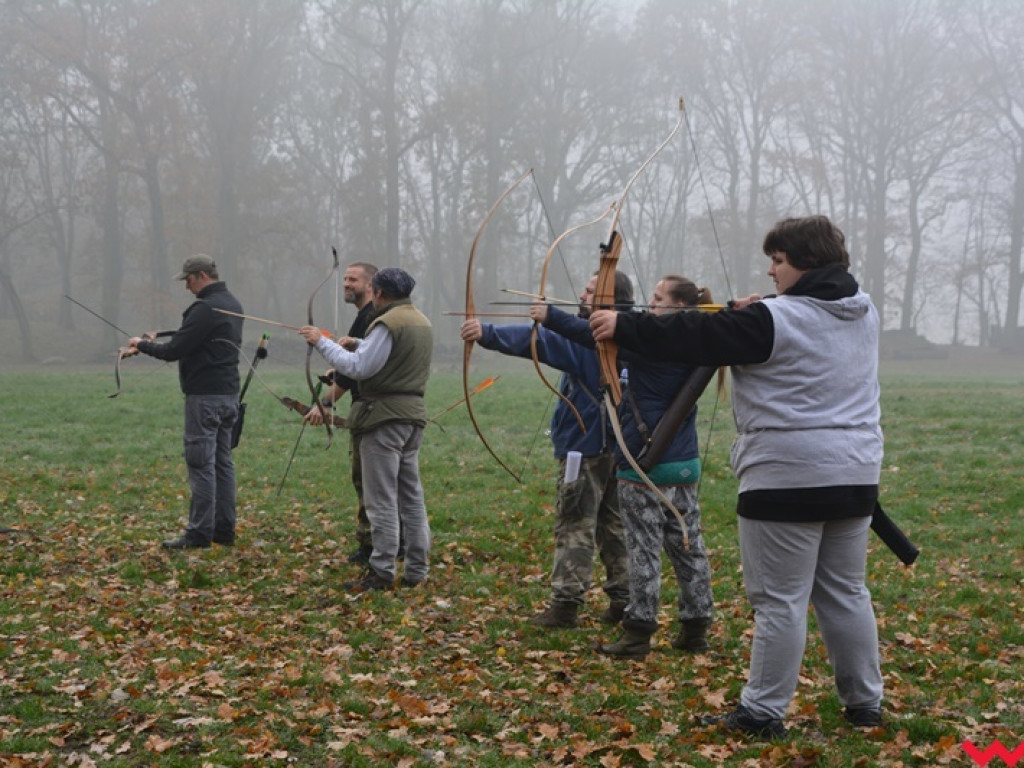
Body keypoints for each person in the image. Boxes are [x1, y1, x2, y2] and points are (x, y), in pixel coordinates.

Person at [589, 215, 884, 738]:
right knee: (846, 592)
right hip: (855, 473)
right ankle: (865, 704)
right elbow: (747, 327)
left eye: (778, 261)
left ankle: (761, 713)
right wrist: (754, 312)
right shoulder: (862, 312)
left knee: (779, 601)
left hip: (786, 477)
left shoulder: (777, 319)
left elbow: (697, 331)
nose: (771, 272)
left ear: (807, 264)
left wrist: (623, 324)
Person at [532, 274, 715, 660]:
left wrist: (550, 315)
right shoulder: (699, 336)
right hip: (684, 463)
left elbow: (593, 337)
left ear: (679, 307)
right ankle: (696, 626)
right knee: (688, 545)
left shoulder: (653, 342)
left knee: (644, 549)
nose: (650, 304)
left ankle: (638, 632)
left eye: (659, 297)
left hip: (643, 463)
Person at [459, 271, 633, 630]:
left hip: (583, 450)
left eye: (590, 290)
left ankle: (566, 605)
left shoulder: (590, 338)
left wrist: (486, 334)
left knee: (575, 523)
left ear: (609, 300)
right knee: (613, 524)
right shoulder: (630, 334)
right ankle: (624, 599)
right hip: (620, 448)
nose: (582, 294)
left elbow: (537, 340)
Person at [299, 267, 432, 592]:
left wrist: (323, 342)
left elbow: (359, 367)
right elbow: (392, 354)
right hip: (411, 417)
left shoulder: (387, 322)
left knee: (382, 500)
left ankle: (382, 571)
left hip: (383, 420)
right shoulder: (419, 320)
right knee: (411, 498)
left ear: (380, 294)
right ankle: (417, 569)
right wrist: (358, 341)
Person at [128, 254, 244, 549]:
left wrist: (141, 345)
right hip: (229, 394)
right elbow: (193, 340)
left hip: (205, 398)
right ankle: (223, 530)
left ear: (202, 275)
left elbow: (174, 350)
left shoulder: (204, 308)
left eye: (189, 280)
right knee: (222, 463)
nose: (187, 286)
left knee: (201, 464)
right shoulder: (232, 303)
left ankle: (199, 534)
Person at [303, 262, 381, 565]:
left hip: (372, 410)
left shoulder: (371, 317)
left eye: (353, 279)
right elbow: (354, 365)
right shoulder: (364, 318)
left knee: (368, 480)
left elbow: (355, 373)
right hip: (370, 408)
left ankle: (373, 545)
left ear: (371, 285)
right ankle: (383, 542)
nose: (346, 284)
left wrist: (325, 404)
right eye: (345, 278)